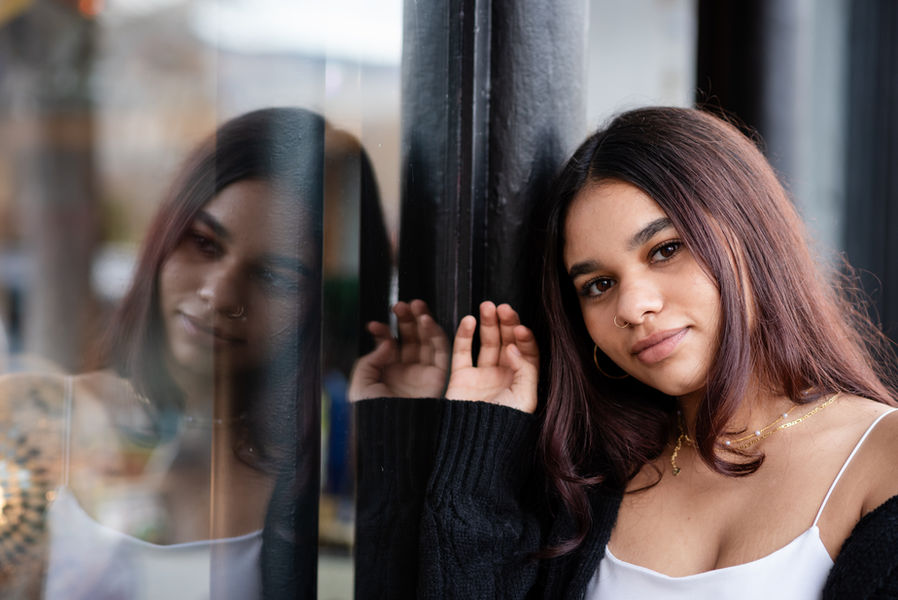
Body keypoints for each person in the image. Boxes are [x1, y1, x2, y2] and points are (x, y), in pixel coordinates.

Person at [350, 106, 898, 599]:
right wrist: (481, 441)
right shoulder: (590, 475)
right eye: (597, 285)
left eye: (665, 249)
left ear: (751, 235)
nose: (633, 307)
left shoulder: (880, 456)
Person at [0, 107, 325, 599]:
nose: (220, 294)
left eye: (275, 276)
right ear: (163, 239)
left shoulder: (315, 476)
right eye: (204, 243)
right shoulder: (32, 416)